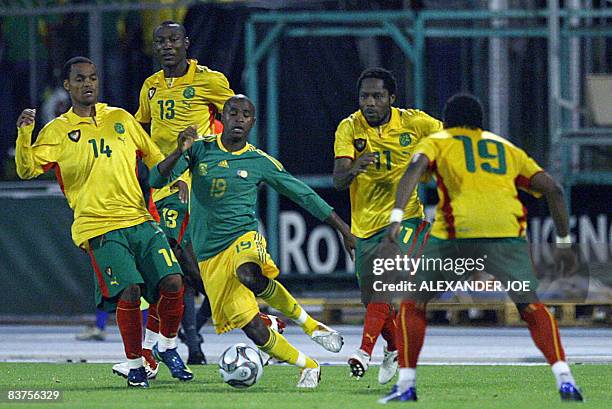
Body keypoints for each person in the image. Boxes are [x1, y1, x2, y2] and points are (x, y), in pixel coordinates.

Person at [378, 93, 583, 403]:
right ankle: (565, 378)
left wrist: (395, 217)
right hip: (505, 236)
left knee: (412, 302)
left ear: (446, 121)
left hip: (457, 235)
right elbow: (553, 189)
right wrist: (565, 242)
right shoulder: (506, 148)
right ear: (480, 123)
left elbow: (414, 169)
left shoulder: (439, 140)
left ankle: (406, 385)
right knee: (530, 306)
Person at [150, 95, 356, 388]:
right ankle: (309, 366)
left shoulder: (259, 161)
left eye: (245, 115)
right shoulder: (198, 150)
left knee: (248, 273)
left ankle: (310, 325)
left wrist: (344, 230)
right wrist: (177, 150)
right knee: (255, 331)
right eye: (233, 113)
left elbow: (303, 195)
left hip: (243, 238)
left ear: (252, 123)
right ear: (223, 117)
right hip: (210, 256)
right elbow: (155, 181)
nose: (239, 118)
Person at [15, 57, 192, 388]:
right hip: (98, 225)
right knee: (130, 290)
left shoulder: (121, 118)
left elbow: (154, 160)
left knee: (173, 282)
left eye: (93, 78)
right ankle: (135, 364)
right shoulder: (56, 131)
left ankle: (166, 347)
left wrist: (178, 177)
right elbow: (26, 170)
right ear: (68, 86)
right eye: (80, 79)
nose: (88, 84)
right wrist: (25, 135)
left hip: (139, 219)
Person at [134, 20, 235, 366]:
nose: (166, 46)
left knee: (212, 267)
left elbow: (239, 117)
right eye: (160, 41)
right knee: (179, 262)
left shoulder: (210, 80)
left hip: (204, 184)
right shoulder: (150, 87)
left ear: (186, 43)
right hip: (166, 188)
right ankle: (190, 344)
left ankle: (199, 329)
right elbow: (142, 134)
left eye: (173, 40)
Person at [333, 68, 441, 384]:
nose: (370, 102)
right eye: (365, 96)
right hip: (365, 228)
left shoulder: (415, 123)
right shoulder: (349, 128)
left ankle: (363, 353)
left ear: (391, 98)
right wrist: (354, 169)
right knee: (374, 304)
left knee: (385, 282)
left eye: (377, 96)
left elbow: (451, 140)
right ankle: (394, 348)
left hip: (407, 219)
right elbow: (338, 181)